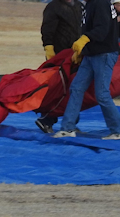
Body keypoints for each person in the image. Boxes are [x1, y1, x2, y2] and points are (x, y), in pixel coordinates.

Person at [53, 0, 120, 140]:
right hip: (92, 53)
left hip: (104, 54)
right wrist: (83, 51)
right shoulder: (90, 4)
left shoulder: (99, 2)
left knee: (102, 94)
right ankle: (68, 128)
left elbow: (102, 29)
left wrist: (84, 39)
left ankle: (118, 131)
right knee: (76, 88)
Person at [36, 0, 83, 133]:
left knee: (75, 88)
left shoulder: (79, 6)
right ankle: (46, 119)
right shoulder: (54, 6)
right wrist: (49, 48)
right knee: (59, 89)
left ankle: (71, 122)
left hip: (75, 54)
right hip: (59, 55)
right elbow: (47, 29)